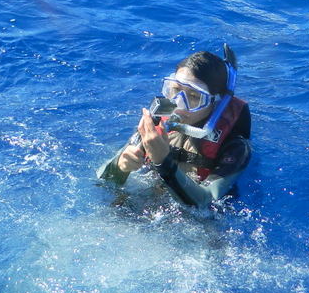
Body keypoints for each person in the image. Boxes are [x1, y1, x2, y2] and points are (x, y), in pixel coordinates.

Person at [96, 46, 252, 208]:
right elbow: (102, 180)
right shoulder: (157, 122)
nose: (179, 105)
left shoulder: (235, 147)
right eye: (176, 90)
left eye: (194, 97)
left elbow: (205, 202)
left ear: (216, 102)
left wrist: (163, 162)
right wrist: (120, 167)